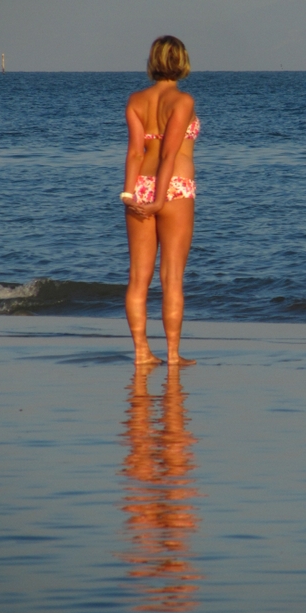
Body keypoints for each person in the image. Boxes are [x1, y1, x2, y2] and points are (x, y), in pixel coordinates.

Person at [120, 36, 199, 366]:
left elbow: (136, 152)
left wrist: (129, 195)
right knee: (172, 277)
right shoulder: (183, 101)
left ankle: (141, 353)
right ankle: (172, 354)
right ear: (181, 62)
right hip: (175, 188)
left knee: (138, 277)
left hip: (138, 185)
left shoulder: (136, 99)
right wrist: (159, 199)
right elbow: (169, 154)